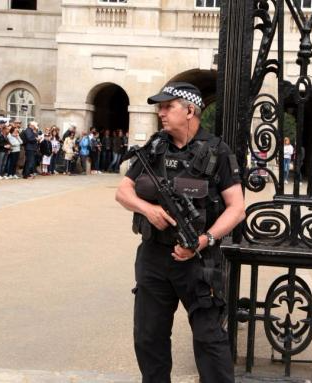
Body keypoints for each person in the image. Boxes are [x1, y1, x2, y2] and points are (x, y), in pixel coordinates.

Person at [115, 82, 245, 383]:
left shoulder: (217, 151)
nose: (160, 112)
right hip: (154, 256)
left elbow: (237, 208)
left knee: (209, 338)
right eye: (159, 107)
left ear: (189, 110)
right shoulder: (154, 147)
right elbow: (123, 192)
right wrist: (147, 209)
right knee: (148, 336)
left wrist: (205, 240)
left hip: (198, 261)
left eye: (167, 106)